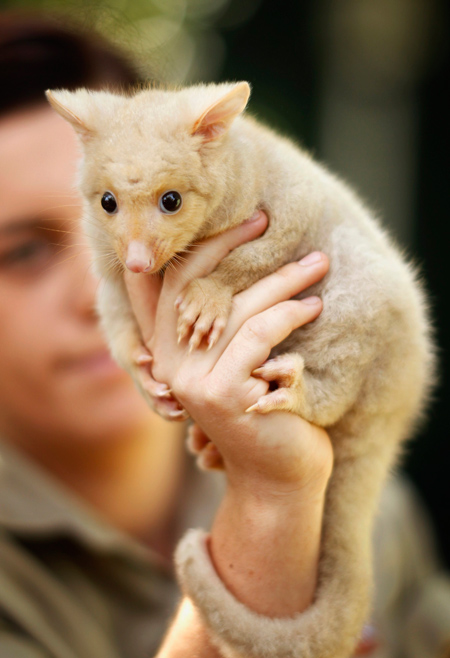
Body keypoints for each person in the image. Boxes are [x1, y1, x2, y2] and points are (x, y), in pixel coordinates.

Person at [0, 12, 449, 658]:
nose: (130, 266)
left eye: (169, 203)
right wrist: (272, 500)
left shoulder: (367, 498)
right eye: (24, 253)